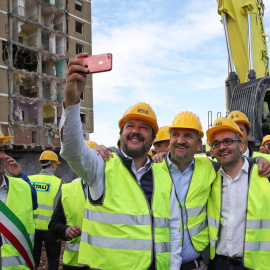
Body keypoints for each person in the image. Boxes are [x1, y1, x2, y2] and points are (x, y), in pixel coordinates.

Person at [60, 53, 181, 270]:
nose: (136, 131)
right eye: (130, 126)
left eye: (144, 127)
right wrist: (71, 102)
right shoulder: (100, 166)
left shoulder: (163, 174)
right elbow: (72, 149)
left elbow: (173, 229)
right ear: (121, 133)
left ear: (153, 138)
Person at [206, 117, 270, 270]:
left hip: (257, 264)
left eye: (227, 141)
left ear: (241, 146)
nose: (222, 147)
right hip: (218, 263)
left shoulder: (264, 171)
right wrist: (161, 156)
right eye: (216, 144)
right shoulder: (209, 176)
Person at [49, 141, 95, 270]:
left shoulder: (113, 189)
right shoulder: (68, 190)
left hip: (104, 262)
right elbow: (54, 225)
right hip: (75, 263)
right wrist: (66, 230)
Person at [0, 130, 37, 269]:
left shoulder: (22, 187)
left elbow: (33, 199)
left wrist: (21, 176)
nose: (1, 156)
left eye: (2, 150)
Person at [29, 150, 64, 270]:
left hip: (32, 229)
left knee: (32, 261)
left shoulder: (29, 180)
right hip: (52, 229)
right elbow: (60, 209)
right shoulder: (59, 183)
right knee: (53, 261)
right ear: (53, 164)